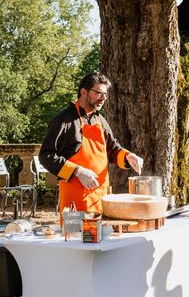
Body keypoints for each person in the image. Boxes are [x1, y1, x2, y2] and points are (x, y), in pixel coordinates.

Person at [39, 72, 143, 218]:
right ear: (83, 92)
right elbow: (46, 156)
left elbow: (112, 149)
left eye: (105, 95)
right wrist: (77, 171)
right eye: (99, 93)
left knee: (101, 238)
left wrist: (128, 156)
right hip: (75, 198)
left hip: (101, 195)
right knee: (75, 238)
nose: (103, 99)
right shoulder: (63, 120)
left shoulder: (100, 120)